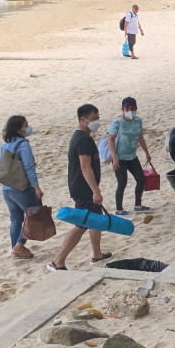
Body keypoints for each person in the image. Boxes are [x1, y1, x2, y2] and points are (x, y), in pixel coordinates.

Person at [48, 104, 112, 271]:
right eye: (93, 119)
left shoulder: (81, 136)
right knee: (82, 224)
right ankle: (58, 261)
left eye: (98, 118)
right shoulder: (83, 139)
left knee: (95, 221)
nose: (96, 122)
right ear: (82, 120)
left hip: (83, 187)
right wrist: (96, 191)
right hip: (84, 189)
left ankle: (97, 254)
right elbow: (85, 167)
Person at [0, 116, 43, 259]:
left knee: (15, 219)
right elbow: (29, 167)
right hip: (22, 188)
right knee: (33, 215)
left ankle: (16, 249)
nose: (28, 127)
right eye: (26, 125)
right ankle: (19, 246)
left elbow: (2, 166)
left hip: (7, 188)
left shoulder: (6, 144)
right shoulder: (23, 144)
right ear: (19, 128)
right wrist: (36, 187)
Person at [106, 97, 152, 216]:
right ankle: (119, 209)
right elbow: (110, 139)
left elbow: (140, 137)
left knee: (141, 179)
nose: (130, 110)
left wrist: (147, 153)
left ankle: (138, 205)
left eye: (132, 108)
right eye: (127, 108)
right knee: (122, 183)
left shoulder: (138, 121)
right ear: (122, 109)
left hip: (132, 156)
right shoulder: (118, 123)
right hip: (120, 158)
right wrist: (114, 157)